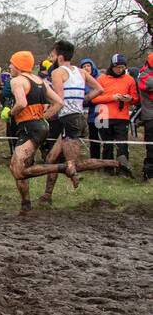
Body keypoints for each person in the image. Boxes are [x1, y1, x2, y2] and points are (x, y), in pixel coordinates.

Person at [39, 40, 118, 204]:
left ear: (59, 57)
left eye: (53, 55)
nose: (52, 59)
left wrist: (43, 116)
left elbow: (59, 101)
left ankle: (116, 163)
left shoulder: (58, 73)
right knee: (51, 160)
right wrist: (83, 99)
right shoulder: (80, 71)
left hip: (68, 119)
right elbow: (99, 89)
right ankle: (47, 196)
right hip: (78, 118)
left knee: (73, 165)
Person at [6, 51, 74, 215]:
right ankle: (25, 203)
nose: (9, 67)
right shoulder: (40, 81)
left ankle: (62, 167)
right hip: (39, 126)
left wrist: (10, 113)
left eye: (11, 63)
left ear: (18, 66)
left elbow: (21, 103)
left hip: (30, 128)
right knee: (21, 167)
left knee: (17, 169)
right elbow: (58, 102)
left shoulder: (17, 81)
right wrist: (44, 117)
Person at [92, 53, 137, 176]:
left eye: (122, 67)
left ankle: (123, 170)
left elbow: (135, 98)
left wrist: (129, 99)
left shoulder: (130, 80)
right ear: (112, 66)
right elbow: (94, 99)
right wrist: (112, 97)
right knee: (107, 144)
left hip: (122, 117)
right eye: (117, 67)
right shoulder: (102, 79)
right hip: (104, 115)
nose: (120, 70)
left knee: (122, 144)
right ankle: (107, 169)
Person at [138, 52, 153, 181]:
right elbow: (149, 84)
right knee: (151, 147)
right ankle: (149, 173)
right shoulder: (144, 74)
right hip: (150, 116)